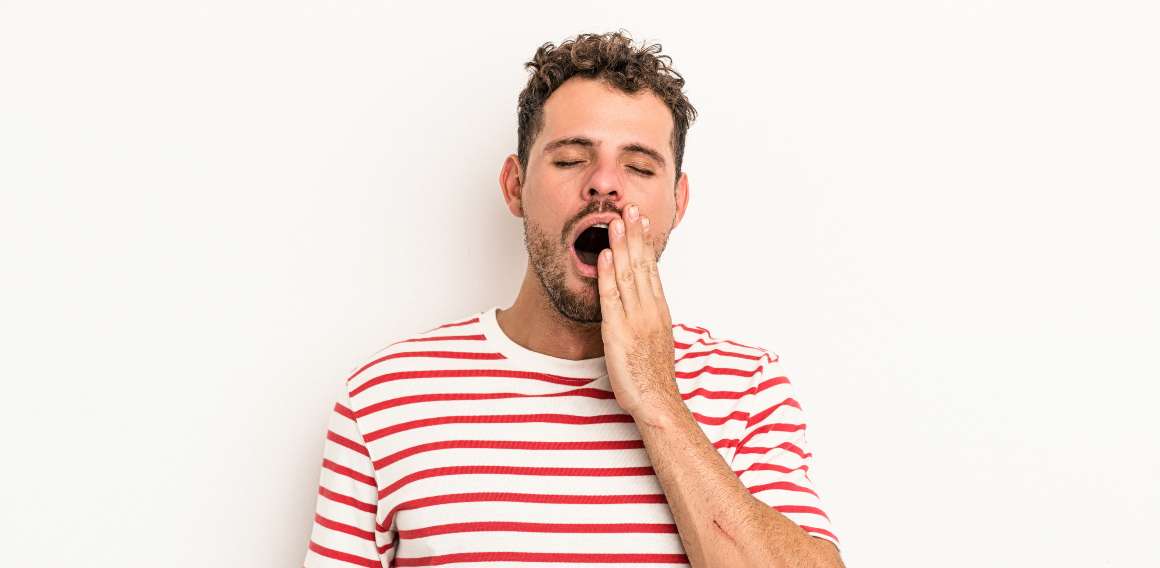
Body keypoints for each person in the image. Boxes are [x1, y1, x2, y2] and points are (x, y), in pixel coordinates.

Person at [303, 31, 843, 568]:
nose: (604, 184)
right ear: (514, 186)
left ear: (677, 202)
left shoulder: (748, 390)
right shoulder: (384, 399)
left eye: (639, 166)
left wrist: (656, 396)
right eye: (569, 159)